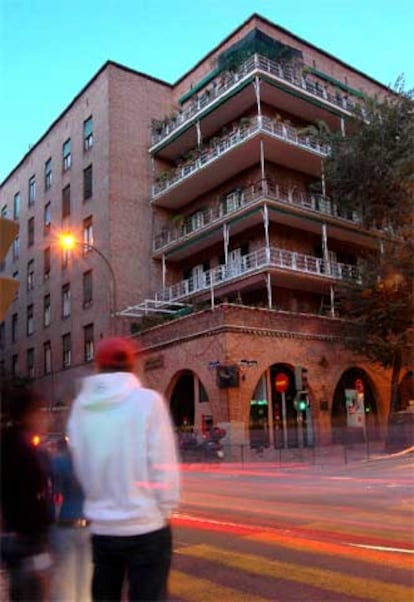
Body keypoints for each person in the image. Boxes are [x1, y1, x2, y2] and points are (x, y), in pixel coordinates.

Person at [67, 336, 181, 602]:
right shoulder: (148, 402)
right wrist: (163, 509)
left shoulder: (82, 408)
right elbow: (163, 463)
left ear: (98, 367)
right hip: (147, 528)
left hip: (103, 530)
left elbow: (81, 467)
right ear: (133, 366)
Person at [0, 386, 54, 601]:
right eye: (40, 411)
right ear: (28, 414)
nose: (45, 417)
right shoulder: (22, 448)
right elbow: (30, 494)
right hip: (26, 538)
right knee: (31, 592)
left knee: (21, 591)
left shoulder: (9, 442)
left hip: (16, 537)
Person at [49, 436, 92, 602]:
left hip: (64, 525)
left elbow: (54, 495)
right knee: (86, 584)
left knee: (64, 584)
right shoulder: (91, 464)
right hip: (89, 526)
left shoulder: (58, 462)